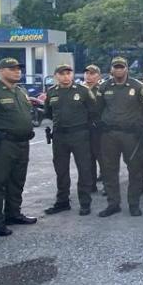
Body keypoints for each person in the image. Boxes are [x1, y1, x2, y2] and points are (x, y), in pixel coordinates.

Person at [0, 57, 37, 236]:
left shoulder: (20, 91)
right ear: (0, 71)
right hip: (1, 144)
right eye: (12, 68)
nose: (17, 71)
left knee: (17, 180)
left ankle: (13, 213)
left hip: (21, 143)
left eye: (19, 68)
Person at [96, 57, 143, 218]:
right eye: (116, 67)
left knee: (135, 170)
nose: (119, 70)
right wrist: (101, 124)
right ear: (111, 69)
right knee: (109, 169)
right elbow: (97, 109)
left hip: (130, 135)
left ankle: (134, 204)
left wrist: (141, 126)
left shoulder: (138, 87)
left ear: (127, 69)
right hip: (109, 135)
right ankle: (113, 204)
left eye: (121, 67)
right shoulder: (104, 87)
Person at [43, 64, 99, 217]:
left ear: (72, 75)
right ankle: (62, 202)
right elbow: (48, 112)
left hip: (79, 135)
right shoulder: (52, 92)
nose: (66, 77)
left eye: (68, 73)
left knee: (84, 170)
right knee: (61, 170)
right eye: (62, 74)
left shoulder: (83, 91)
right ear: (56, 76)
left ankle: (85, 203)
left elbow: (94, 112)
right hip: (60, 136)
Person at [81, 64, 104, 193]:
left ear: (98, 76)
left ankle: (107, 185)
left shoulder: (102, 89)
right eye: (87, 73)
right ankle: (91, 184)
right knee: (88, 158)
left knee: (102, 157)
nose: (89, 76)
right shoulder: (79, 90)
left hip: (99, 130)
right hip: (84, 129)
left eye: (92, 73)